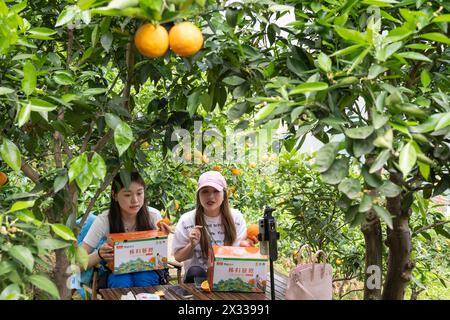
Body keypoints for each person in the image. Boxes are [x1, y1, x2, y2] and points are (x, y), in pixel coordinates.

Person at [81, 171, 170, 288]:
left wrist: (162, 238)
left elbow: (159, 256)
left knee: (143, 278)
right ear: (114, 195)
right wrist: (99, 254)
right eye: (128, 195)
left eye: (139, 193)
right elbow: (77, 263)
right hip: (115, 273)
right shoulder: (104, 220)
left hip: (148, 271)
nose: (135, 200)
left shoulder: (153, 216)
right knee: (121, 281)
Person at [172, 170, 255, 283]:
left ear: (224, 195)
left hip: (229, 276)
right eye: (205, 191)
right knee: (195, 271)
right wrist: (191, 244)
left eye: (216, 191)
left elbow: (240, 255)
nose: (210, 196)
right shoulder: (187, 220)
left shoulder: (236, 218)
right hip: (198, 280)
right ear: (198, 195)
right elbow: (178, 257)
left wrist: (247, 248)